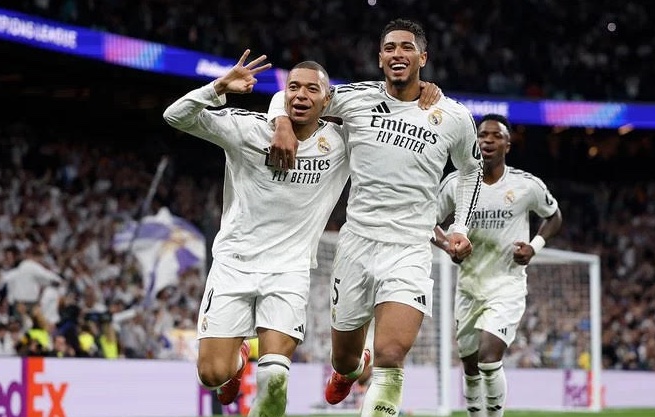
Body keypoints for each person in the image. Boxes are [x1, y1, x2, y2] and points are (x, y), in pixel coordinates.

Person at [267, 19, 483, 415]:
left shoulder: (452, 115)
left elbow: (472, 169)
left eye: (406, 47)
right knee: (344, 358)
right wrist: (281, 123)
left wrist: (459, 227)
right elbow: (292, 94)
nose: (397, 54)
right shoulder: (355, 98)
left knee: (391, 354)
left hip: (410, 249)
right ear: (380, 57)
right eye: (389, 48)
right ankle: (351, 369)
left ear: (423, 57)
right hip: (357, 244)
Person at [163, 51, 350, 416]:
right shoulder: (247, 129)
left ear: (327, 100)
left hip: (289, 271)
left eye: (312, 89)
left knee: (275, 377)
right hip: (234, 265)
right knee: (211, 374)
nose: (301, 95)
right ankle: (238, 359)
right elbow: (175, 116)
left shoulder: (341, 143)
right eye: (293, 87)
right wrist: (218, 87)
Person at [435, 114, 562, 417]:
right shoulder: (455, 183)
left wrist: (534, 246)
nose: (488, 140)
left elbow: (554, 216)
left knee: (489, 359)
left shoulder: (526, 185)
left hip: (507, 285)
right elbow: (427, 220)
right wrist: (447, 245)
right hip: (469, 287)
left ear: (508, 144)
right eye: (482, 135)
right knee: (470, 367)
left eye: (496, 135)